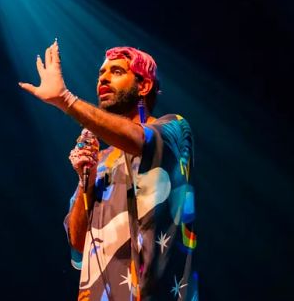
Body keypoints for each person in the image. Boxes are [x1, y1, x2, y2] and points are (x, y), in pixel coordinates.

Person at [19, 40, 198, 301]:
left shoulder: (175, 130)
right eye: (101, 73)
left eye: (116, 72)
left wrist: (67, 100)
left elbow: (139, 140)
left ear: (144, 85)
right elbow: (79, 243)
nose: (103, 79)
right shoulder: (100, 159)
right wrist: (86, 180)